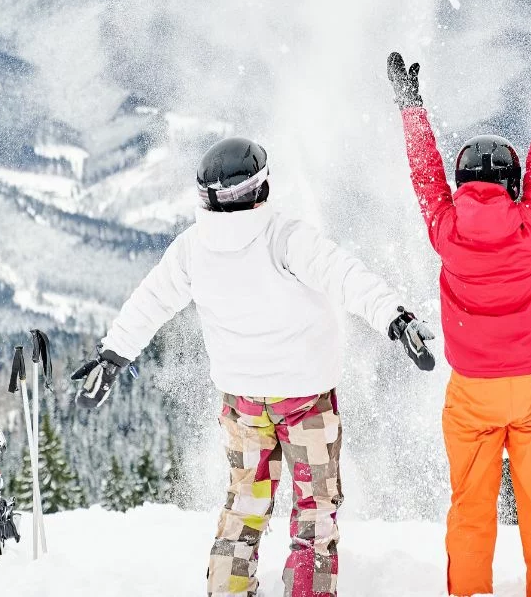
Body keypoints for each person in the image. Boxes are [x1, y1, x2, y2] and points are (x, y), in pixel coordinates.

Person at [71, 136, 437, 597]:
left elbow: (150, 302)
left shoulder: (192, 249)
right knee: (314, 513)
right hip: (306, 403)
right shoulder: (285, 237)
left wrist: (113, 355)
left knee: (244, 506)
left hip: (244, 406)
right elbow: (346, 276)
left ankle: (228, 589)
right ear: (261, 187)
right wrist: (395, 318)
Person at [385, 33, 531, 597]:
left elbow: (424, 177)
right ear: (513, 186)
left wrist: (410, 107)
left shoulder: (446, 231)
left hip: (472, 391)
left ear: (463, 183)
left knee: (471, 512)